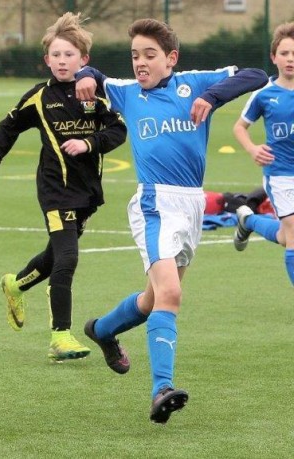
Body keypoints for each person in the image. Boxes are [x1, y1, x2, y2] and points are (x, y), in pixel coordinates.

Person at [73, 18, 267, 423]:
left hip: (192, 204)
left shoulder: (194, 84)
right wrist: (85, 75)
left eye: (149, 55)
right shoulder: (127, 92)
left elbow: (255, 74)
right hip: (154, 203)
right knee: (171, 294)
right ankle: (161, 388)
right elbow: (92, 74)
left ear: (171, 58)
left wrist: (212, 96)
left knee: (152, 300)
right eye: (135, 56)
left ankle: (103, 330)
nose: (140, 63)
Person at [0, 12, 127, 362]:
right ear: (47, 60)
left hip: (87, 192)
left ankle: (15, 284)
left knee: (54, 256)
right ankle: (60, 336)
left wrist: (88, 143)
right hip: (55, 190)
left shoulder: (97, 95)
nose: (62, 61)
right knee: (68, 258)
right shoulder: (39, 97)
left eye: (69, 54)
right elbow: (8, 128)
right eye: (56, 55)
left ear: (84, 59)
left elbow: (119, 131)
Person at [232, 21, 294, 286]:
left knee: (285, 236)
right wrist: (252, 148)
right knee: (293, 234)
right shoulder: (264, 94)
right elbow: (239, 127)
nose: (290, 59)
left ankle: (248, 220)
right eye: (284, 53)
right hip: (279, 174)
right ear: (273, 57)